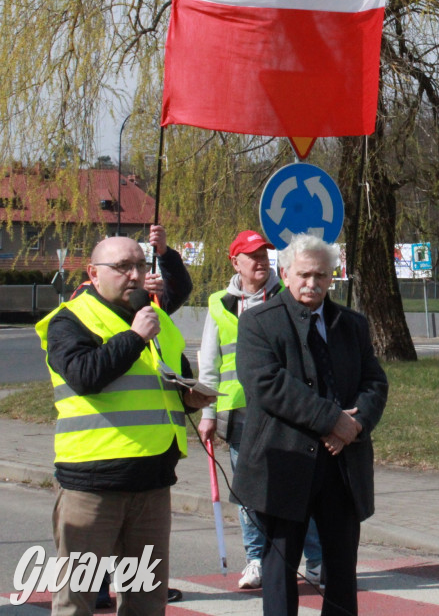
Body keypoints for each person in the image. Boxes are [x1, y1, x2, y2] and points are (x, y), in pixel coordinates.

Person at [36, 235, 214, 615]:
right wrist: (134, 337)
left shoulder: (155, 318)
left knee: (146, 600)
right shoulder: (71, 320)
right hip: (92, 486)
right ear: (94, 274)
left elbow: (173, 381)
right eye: (122, 267)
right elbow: (85, 376)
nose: (135, 275)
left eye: (140, 266)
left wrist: (191, 398)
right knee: (77, 601)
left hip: (152, 483)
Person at [231, 233, 388, 616]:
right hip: (283, 462)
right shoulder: (258, 322)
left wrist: (356, 424)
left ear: (332, 277)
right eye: (303, 274)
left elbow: (375, 382)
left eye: (320, 275)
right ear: (284, 274)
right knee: (281, 567)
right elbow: (267, 385)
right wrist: (332, 420)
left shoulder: (351, 324)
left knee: (341, 568)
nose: (312, 283)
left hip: (342, 464)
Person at [196, 230, 323, 590]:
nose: (261, 261)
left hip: (285, 408)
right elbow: (209, 362)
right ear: (234, 261)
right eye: (252, 255)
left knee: (301, 486)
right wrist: (207, 414)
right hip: (239, 411)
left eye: (265, 254)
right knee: (249, 491)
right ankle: (256, 559)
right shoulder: (219, 303)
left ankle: (315, 560)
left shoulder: (288, 296)